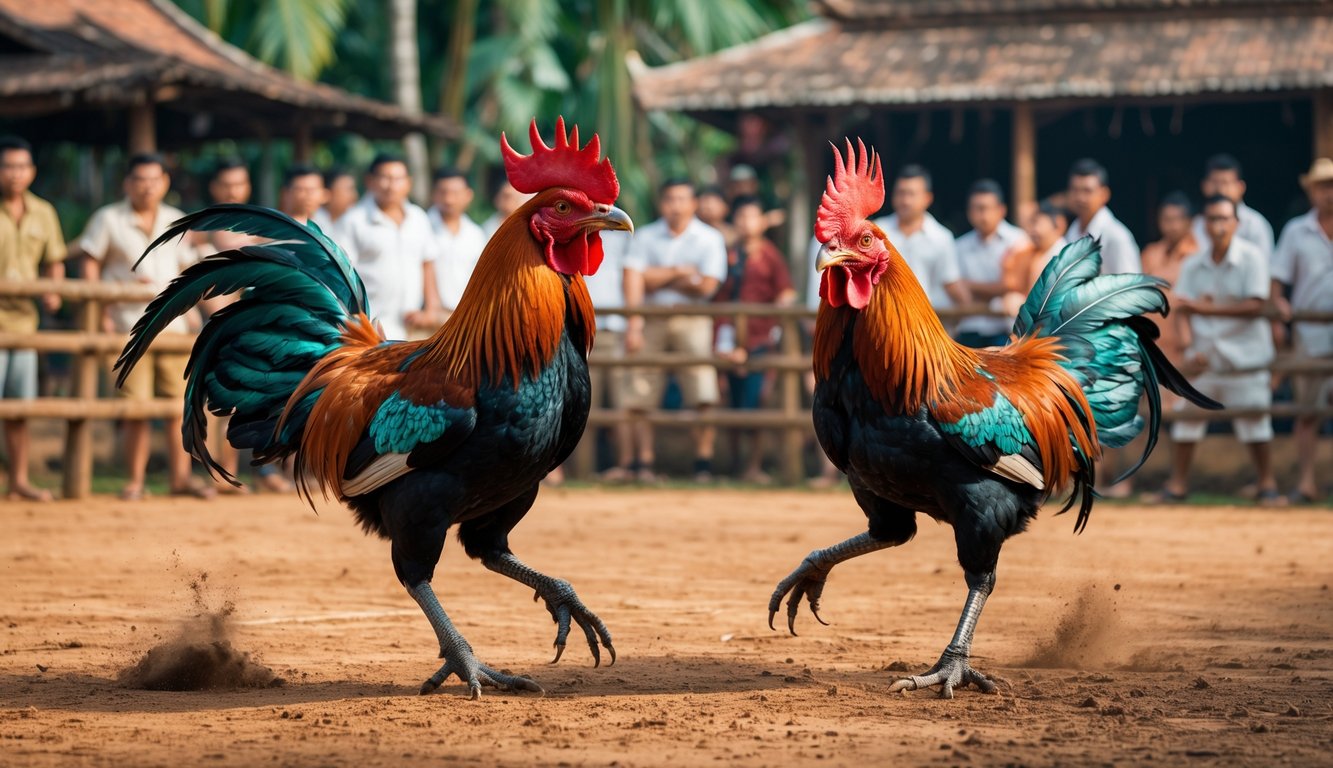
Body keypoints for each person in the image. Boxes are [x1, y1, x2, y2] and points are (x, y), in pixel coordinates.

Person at [74, 153, 211, 500]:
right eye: (140, 179)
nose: (147, 187)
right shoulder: (108, 219)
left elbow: (190, 270)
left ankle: (181, 479)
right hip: (128, 326)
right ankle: (135, 481)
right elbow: (90, 263)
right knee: (136, 408)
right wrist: (100, 309)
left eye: (154, 179)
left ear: (165, 183)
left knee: (179, 405)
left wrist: (193, 310)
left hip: (174, 328)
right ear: (127, 183)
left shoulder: (176, 220)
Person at [1149, 195, 1282, 506]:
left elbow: (1255, 305)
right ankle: (1177, 485)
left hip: (1246, 356)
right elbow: (1182, 309)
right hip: (1205, 356)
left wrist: (1205, 309)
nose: (1218, 225)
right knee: (1187, 418)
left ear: (1236, 223)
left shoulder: (1252, 257)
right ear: (1203, 224)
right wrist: (1187, 347)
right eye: (1212, 219)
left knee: (1255, 419)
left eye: (1223, 218)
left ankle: (1267, 484)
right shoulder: (1194, 264)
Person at [622, 179, 727, 483]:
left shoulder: (709, 238)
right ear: (661, 203)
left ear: (694, 203)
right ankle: (644, 463)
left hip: (693, 319)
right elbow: (632, 278)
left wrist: (654, 278)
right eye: (670, 199)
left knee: (702, 391)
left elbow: (707, 286)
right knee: (642, 391)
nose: (676, 206)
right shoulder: (645, 235)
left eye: (682, 199)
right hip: (650, 318)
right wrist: (680, 272)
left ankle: (703, 463)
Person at [0, 135, 65, 501]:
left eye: (21, 166)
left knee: (19, 409)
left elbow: (54, 259)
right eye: (8, 166)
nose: (15, 173)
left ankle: (19, 480)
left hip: (25, 323)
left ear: (32, 172)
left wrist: (53, 290)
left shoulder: (44, 212)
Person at [714, 196, 795, 484]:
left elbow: (786, 291)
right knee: (731, 403)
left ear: (762, 222)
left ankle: (754, 465)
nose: (747, 223)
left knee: (757, 402)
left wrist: (781, 311)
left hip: (760, 340)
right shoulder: (726, 254)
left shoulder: (770, 255)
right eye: (742, 217)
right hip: (726, 339)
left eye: (752, 217)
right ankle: (735, 465)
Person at [1271, 157, 1333, 504]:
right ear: (1311, 191)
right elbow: (1278, 280)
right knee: (1307, 412)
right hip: (1310, 335)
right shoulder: (1297, 231)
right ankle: (1307, 482)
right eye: (1323, 186)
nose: (1329, 193)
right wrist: (1279, 309)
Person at [338, 154, 442, 341]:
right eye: (385, 178)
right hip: (368, 329)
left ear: (408, 183)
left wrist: (431, 309)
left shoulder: (418, 217)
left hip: (412, 328)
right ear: (370, 181)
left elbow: (427, 263)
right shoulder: (353, 221)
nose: (392, 185)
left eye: (398, 178)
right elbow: (342, 274)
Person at [872, 165, 970, 313]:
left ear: (927, 198)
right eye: (900, 193)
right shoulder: (877, 231)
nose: (905, 200)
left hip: (924, 318)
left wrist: (967, 308)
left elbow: (951, 283)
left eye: (911, 194)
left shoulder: (941, 237)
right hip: (883, 315)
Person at [954, 179, 1029, 347]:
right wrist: (999, 290)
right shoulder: (960, 246)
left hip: (1007, 328)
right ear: (969, 212)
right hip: (970, 328)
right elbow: (958, 290)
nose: (982, 215)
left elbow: (1015, 285)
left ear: (1001, 210)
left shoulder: (1019, 241)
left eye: (986, 208)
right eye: (977, 209)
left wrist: (971, 286)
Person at [1140, 192, 1198, 374]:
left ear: (1189, 222)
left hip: (1186, 348)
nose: (1171, 226)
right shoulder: (1150, 253)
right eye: (1166, 219)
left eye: (1177, 219)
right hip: (1153, 345)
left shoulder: (1199, 255)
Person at [427, 167, 486, 318]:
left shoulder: (476, 234)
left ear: (468, 195)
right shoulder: (421, 227)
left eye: (455, 193)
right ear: (434, 194)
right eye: (443, 192)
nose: (449, 200)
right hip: (428, 316)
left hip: (466, 316)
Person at [1191, 154, 1274, 260]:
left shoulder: (1255, 225)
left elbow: (1263, 266)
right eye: (1215, 182)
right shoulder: (1196, 224)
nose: (1220, 189)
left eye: (1226, 183)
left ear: (1240, 187)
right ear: (1204, 186)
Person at [1066, 158, 1141, 274]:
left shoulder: (1116, 236)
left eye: (1087, 191)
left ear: (1104, 194)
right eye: (1075, 190)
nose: (1080, 198)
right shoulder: (1073, 230)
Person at [999, 200, 1068, 318]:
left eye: (1037, 223)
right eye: (1031, 224)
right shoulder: (1035, 252)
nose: (1032, 230)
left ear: (1058, 225)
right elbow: (1011, 282)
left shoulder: (1064, 257)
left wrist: (1021, 304)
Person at [313, 167, 358, 243]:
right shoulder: (313, 225)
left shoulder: (349, 221)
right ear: (328, 193)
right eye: (348, 189)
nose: (354, 196)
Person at [697, 185, 735, 249]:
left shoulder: (734, 235)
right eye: (705, 201)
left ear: (726, 207)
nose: (709, 207)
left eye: (714, 202)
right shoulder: (692, 233)